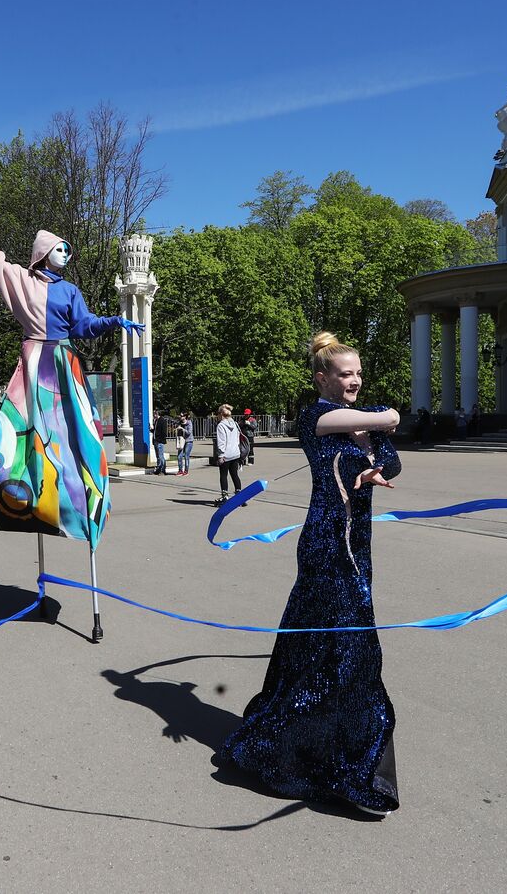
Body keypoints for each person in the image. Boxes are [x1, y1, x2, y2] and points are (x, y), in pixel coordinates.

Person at [214, 331, 402, 818]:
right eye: (345, 374)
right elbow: (389, 418)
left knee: (318, 645)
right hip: (326, 545)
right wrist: (384, 424)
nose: (356, 380)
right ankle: (345, 768)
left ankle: (310, 747)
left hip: (357, 544)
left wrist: (375, 469)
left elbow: (392, 457)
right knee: (352, 648)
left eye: (359, 373)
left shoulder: (359, 421)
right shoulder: (316, 416)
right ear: (322, 378)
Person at [0, 205, 142, 547]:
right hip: (35, 361)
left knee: (77, 431)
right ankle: (28, 494)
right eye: (60, 248)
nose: (65, 254)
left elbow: (83, 324)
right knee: (27, 431)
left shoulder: (70, 290)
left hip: (64, 361)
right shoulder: (22, 279)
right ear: (44, 253)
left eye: (67, 249)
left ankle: (80, 501)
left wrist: (114, 321)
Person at [214, 404, 243, 506]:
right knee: (234, 474)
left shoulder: (221, 425)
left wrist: (220, 455)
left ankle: (225, 496)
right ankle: (240, 496)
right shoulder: (235, 424)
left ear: (221, 414)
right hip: (235, 453)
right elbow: (237, 438)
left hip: (226, 455)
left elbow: (221, 442)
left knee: (223, 475)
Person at [152, 409, 171, 475]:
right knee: (158, 456)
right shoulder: (156, 420)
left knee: (161, 456)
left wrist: (160, 440)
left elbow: (164, 432)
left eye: (154, 414)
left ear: (157, 414)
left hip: (160, 441)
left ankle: (163, 470)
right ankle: (158, 468)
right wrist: (152, 430)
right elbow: (156, 431)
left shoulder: (162, 421)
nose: (153, 415)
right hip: (155, 441)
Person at [177, 411, 194, 476]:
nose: (180, 417)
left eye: (181, 416)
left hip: (188, 441)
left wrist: (182, 429)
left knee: (186, 456)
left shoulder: (189, 423)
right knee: (179, 456)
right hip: (181, 441)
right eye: (180, 416)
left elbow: (189, 432)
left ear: (185, 417)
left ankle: (186, 471)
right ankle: (180, 470)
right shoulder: (180, 423)